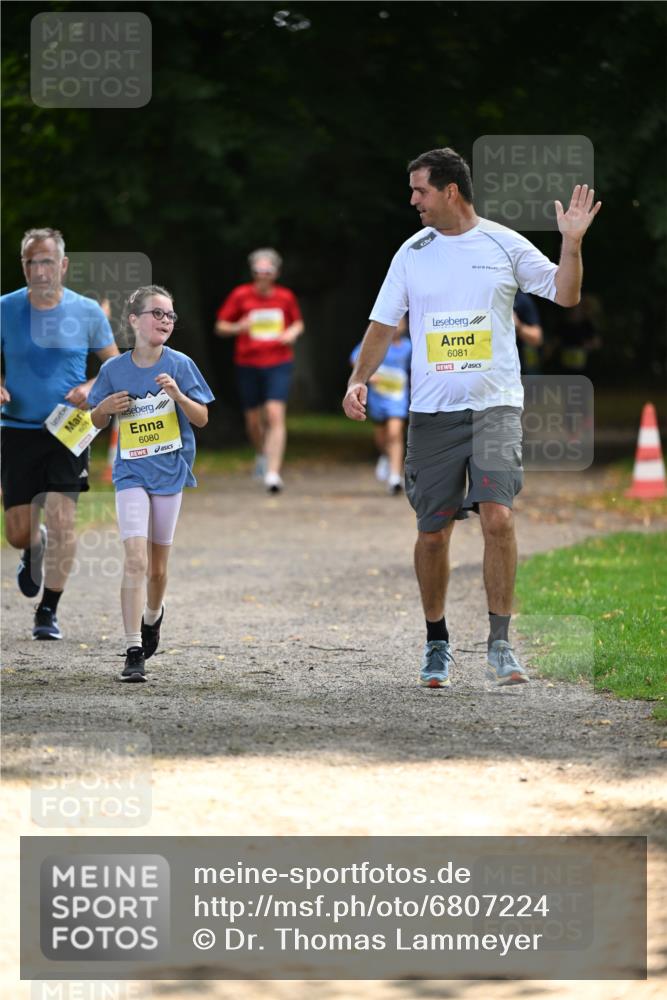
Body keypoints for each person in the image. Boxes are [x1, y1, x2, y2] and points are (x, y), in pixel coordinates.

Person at [343, 148, 601, 689]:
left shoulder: (504, 244)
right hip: (432, 412)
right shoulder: (412, 252)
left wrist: (572, 244)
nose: (413, 200)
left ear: (450, 190)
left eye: (420, 190)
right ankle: (437, 642)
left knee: (498, 519)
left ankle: (500, 643)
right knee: (433, 532)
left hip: (495, 407)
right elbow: (383, 325)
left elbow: (565, 292)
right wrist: (358, 378)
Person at [88, 285, 214, 682]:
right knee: (135, 560)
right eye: (157, 313)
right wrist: (104, 407)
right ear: (133, 320)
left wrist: (178, 395)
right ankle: (132, 650)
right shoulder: (114, 370)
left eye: (170, 315)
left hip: (169, 473)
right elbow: (94, 420)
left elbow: (201, 418)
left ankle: (153, 615)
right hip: (130, 472)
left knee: (157, 569)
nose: (165, 321)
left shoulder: (181, 365)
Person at [0, 227, 118, 640]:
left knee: (63, 517)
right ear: (23, 265)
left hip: (69, 428)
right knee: (17, 532)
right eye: (31, 262)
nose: (39, 270)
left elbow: (113, 365)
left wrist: (90, 387)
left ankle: (48, 610)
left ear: (63, 265)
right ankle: (35, 545)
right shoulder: (5, 308)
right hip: (16, 429)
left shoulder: (86, 312)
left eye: (47, 261)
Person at [214, 248, 304, 493]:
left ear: (276, 273)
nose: (263, 275)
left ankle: (273, 473)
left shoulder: (285, 297)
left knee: (274, 414)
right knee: (253, 421)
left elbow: (298, 323)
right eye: (258, 271)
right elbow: (220, 326)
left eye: (268, 271)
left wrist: (291, 332)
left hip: (278, 361)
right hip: (248, 363)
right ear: (253, 272)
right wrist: (238, 327)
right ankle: (262, 453)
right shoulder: (240, 295)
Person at [350, 315, 411, 494]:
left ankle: (395, 477)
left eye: (401, 322)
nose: (398, 325)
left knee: (395, 433)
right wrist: (368, 375)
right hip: (378, 397)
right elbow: (355, 358)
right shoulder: (377, 343)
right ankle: (385, 455)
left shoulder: (408, 346)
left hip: (398, 398)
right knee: (381, 437)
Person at [513, 290, 543, 374]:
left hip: (519, 366)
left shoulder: (521, 299)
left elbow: (537, 338)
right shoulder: (485, 298)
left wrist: (518, 326)